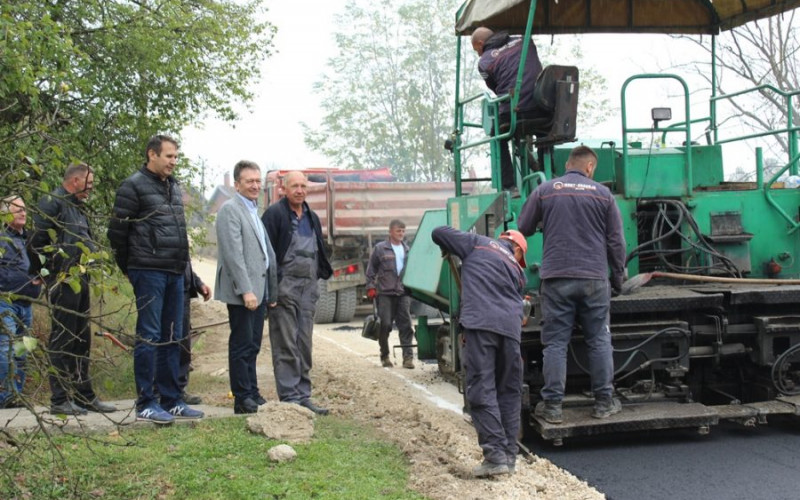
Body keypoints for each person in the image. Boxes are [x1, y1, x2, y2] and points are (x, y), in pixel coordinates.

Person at [517, 145, 626, 424]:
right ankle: (603, 403)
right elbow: (616, 242)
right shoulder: (603, 195)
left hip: (557, 278)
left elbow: (523, 226)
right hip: (593, 278)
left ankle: (553, 407)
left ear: (568, 164)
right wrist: (617, 278)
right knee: (599, 339)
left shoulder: (546, 190)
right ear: (590, 167)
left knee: (555, 344)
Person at [107, 134, 203, 424]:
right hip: (148, 271)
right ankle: (146, 402)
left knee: (173, 336)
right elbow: (116, 233)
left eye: (176, 157)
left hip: (174, 272)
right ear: (152, 154)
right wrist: (130, 268)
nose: (174, 162)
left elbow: (178, 234)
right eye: (169, 156)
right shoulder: (132, 186)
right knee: (149, 336)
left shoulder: (173, 188)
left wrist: (189, 274)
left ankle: (171, 399)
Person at [431, 226, 528, 478]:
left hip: (481, 326)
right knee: (508, 391)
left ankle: (495, 456)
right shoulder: (518, 272)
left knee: (482, 387)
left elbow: (438, 231)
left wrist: (453, 243)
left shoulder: (476, 243)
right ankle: (507, 456)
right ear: (516, 248)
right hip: (511, 332)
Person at [30, 163, 116, 416]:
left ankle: (83, 394)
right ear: (76, 180)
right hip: (62, 280)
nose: (91, 188)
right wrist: (43, 273)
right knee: (62, 337)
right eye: (89, 183)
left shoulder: (78, 208)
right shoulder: (52, 202)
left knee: (81, 338)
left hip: (81, 279)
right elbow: (36, 241)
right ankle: (59, 399)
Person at [261, 171, 332, 416]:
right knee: (286, 343)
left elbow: (319, 250)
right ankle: (290, 396)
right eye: (295, 186)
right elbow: (265, 256)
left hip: (307, 288)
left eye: (303, 186)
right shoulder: (274, 214)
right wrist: (270, 291)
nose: (300, 190)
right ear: (283, 188)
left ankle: (304, 396)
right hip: (284, 287)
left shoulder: (311, 216)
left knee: (304, 343)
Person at [215, 160, 277, 414]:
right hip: (245, 292)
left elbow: (264, 253)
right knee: (241, 345)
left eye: (257, 181)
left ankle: (252, 392)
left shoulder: (253, 210)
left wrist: (270, 291)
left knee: (253, 345)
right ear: (237, 184)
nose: (254, 185)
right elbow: (233, 255)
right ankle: (242, 399)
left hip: (259, 291)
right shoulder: (230, 209)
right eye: (249, 181)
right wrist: (246, 289)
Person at [471, 27, 543, 191]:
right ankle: (547, 171)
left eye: (477, 50)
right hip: (541, 106)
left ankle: (509, 186)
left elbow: (496, 88)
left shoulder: (484, 62)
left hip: (516, 111)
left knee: (497, 135)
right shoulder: (525, 41)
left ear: (481, 43)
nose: (478, 55)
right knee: (545, 131)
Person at [0, 196, 41, 409]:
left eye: (24, 209)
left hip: (27, 303)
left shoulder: (31, 239)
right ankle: (5, 395)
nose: (23, 213)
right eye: (17, 210)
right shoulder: (1, 238)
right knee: (5, 349)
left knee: (22, 350)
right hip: (5, 302)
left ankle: (15, 395)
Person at [365, 219, 415, 369]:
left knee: (406, 325)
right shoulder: (380, 249)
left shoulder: (407, 249)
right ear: (390, 232)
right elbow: (371, 269)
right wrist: (370, 287)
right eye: (398, 231)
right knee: (385, 325)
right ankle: (385, 356)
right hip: (385, 293)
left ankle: (408, 358)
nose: (401, 234)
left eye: (403, 231)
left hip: (403, 292)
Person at [178, 261, 211, 404]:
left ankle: (180, 390)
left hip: (183, 290)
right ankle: (157, 392)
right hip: (165, 287)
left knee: (183, 344)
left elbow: (183, 259)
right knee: (165, 342)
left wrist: (197, 283)